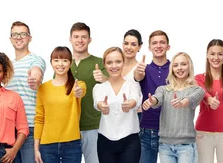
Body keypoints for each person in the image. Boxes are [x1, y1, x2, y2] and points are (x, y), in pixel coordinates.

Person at [142, 52, 204, 163]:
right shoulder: (163, 89)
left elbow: (191, 99)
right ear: (172, 69)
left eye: (183, 64)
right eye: (176, 65)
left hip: (186, 146)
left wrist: (182, 102)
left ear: (189, 66)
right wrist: (152, 101)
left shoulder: (197, 90)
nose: (179, 68)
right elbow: (158, 98)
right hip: (165, 146)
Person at [34, 46, 85, 163]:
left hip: (72, 144)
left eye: (65, 60)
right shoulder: (43, 88)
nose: (60, 64)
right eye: (56, 60)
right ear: (51, 62)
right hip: (47, 146)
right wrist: (36, 148)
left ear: (70, 63)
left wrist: (79, 92)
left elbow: (81, 90)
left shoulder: (78, 85)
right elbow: (39, 119)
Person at [6, 21, 46, 163]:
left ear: (30, 38)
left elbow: (36, 71)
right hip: (9, 129)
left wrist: (35, 79)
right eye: (15, 34)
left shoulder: (35, 59)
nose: (19, 37)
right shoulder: (7, 65)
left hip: (30, 127)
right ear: (10, 39)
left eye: (23, 34)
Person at [194, 39, 223, 163]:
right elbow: (201, 91)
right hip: (203, 134)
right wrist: (209, 99)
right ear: (207, 55)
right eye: (212, 54)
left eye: (220, 54)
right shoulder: (198, 78)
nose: (216, 57)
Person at [93, 47, 142, 163]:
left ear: (123, 63)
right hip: (105, 141)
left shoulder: (132, 85)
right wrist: (101, 106)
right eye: (109, 62)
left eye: (118, 61)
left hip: (130, 141)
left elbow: (135, 99)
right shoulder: (99, 87)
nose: (114, 66)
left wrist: (130, 104)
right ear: (104, 65)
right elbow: (97, 102)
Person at [68, 22, 106, 163]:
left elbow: (114, 86)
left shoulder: (100, 62)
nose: (80, 40)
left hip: (93, 126)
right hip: (69, 128)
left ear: (90, 39)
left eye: (84, 37)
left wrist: (105, 78)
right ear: (70, 39)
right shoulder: (63, 64)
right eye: (76, 37)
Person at [135, 30, 172, 163]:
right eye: (154, 43)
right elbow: (137, 77)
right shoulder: (143, 69)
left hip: (170, 131)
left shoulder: (176, 69)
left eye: (162, 42)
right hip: (147, 130)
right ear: (150, 47)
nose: (158, 45)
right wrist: (138, 72)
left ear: (168, 46)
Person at [121, 29, 145, 120]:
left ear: (139, 47)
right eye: (126, 43)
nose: (129, 47)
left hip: (134, 116)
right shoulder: (114, 67)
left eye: (133, 44)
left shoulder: (140, 68)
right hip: (114, 114)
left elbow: (138, 77)